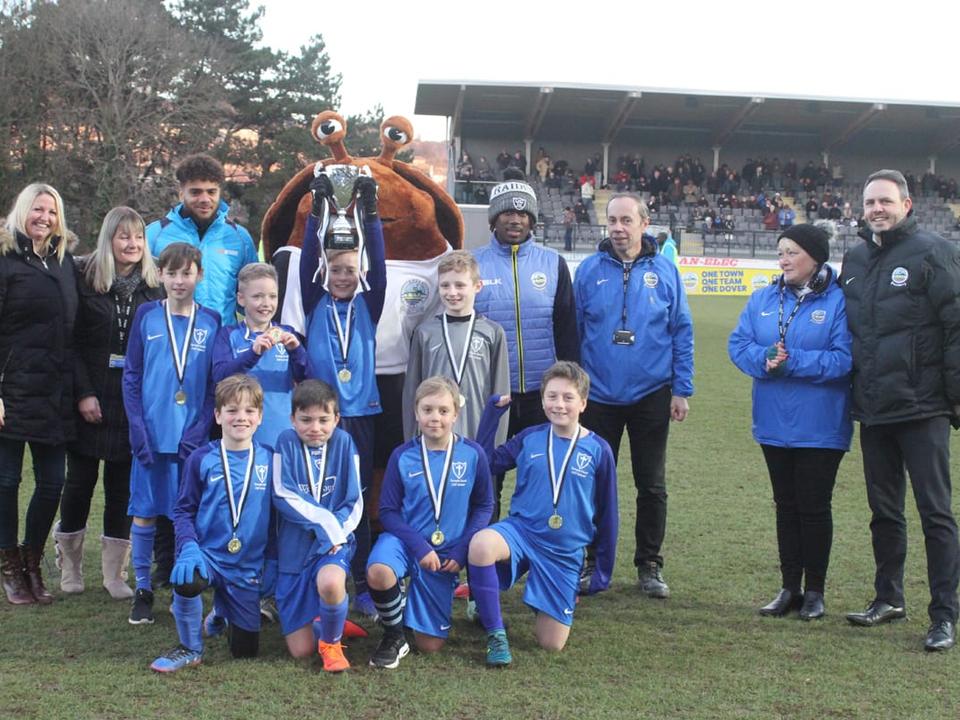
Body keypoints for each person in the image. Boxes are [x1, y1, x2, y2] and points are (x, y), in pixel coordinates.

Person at [840, 169, 960, 652]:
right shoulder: (856, 256)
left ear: (906, 205)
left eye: (885, 201)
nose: (877, 209)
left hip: (923, 406)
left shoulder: (933, 252)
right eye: (870, 203)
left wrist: (954, 398)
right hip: (875, 408)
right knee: (884, 512)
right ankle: (888, 597)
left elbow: (956, 326)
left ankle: (944, 615)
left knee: (935, 513)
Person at [728, 222, 852, 620]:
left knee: (814, 506)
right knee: (785, 506)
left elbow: (844, 360)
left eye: (792, 252)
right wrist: (763, 359)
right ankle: (788, 588)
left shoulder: (838, 302)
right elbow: (738, 345)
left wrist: (793, 361)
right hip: (773, 423)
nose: (783, 258)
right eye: (780, 251)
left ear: (815, 257)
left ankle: (815, 591)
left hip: (821, 425)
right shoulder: (763, 298)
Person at [573, 193, 693, 599]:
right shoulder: (589, 270)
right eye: (612, 221)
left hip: (651, 394)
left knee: (651, 484)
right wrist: (574, 389)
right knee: (591, 483)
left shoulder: (666, 271)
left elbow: (681, 330)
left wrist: (682, 389)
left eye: (627, 220)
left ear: (645, 222)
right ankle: (591, 561)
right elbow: (573, 331)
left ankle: (649, 565)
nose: (619, 228)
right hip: (599, 395)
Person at [468, 361, 618, 666]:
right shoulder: (529, 438)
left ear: (583, 403)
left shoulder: (599, 450)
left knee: (551, 645)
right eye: (552, 396)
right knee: (482, 544)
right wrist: (491, 418)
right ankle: (494, 631)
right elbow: (484, 464)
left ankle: (537, 594)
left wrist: (601, 569)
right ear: (542, 400)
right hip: (522, 533)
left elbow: (608, 513)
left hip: (563, 550)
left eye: (567, 397)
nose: (558, 404)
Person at [55, 207, 162, 600]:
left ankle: (115, 574)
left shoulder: (155, 288)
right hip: (90, 393)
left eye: (138, 237)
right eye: (123, 237)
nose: (132, 244)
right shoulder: (85, 280)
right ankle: (70, 564)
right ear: (109, 240)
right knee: (79, 483)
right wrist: (84, 393)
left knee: (122, 488)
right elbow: (73, 342)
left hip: (131, 400)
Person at [299, 170, 386, 620]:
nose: (343, 276)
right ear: (326, 271)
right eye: (336, 269)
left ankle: (364, 588)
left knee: (359, 500)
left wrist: (370, 213)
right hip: (322, 418)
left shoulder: (369, 306)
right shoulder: (315, 304)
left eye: (351, 270)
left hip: (362, 414)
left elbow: (381, 266)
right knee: (321, 499)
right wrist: (317, 211)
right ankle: (317, 580)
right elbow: (307, 262)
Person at [123, 242, 220, 625]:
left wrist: (199, 429)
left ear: (199, 275)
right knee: (145, 513)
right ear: (159, 275)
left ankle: (187, 583)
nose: (179, 280)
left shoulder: (211, 321)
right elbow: (132, 375)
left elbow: (214, 384)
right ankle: (144, 589)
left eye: (187, 272)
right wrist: (136, 427)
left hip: (191, 442)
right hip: (152, 435)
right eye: (172, 272)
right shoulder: (146, 315)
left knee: (190, 514)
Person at [366, 377, 493, 669]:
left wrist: (462, 550)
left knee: (430, 646)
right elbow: (387, 511)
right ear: (416, 412)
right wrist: (419, 546)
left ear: (455, 414)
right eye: (428, 410)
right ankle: (394, 635)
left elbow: (484, 505)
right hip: (407, 542)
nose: (435, 417)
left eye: (443, 410)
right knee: (379, 571)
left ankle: (404, 610)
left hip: (447, 553)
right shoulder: (402, 455)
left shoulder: (473, 454)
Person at [150, 375, 273, 672]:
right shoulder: (201, 459)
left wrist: (275, 561)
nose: (240, 417)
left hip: (248, 565)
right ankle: (190, 647)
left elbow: (281, 518)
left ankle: (221, 611)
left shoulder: (272, 460)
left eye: (248, 411)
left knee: (244, 653)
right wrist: (189, 547)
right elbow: (183, 511)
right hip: (209, 557)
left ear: (260, 417)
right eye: (231, 410)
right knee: (187, 579)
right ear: (218, 415)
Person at [473, 178, 579, 519]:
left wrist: (569, 388)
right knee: (487, 480)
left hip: (541, 394)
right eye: (506, 212)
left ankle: (537, 552)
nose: (514, 219)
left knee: (543, 477)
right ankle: (484, 560)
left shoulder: (553, 263)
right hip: (492, 395)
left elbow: (566, 327)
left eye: (522, 212)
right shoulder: (473, 264)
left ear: (532, 219)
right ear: (494, 219)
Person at [0, 183, 79, 606]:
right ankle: (10, 565)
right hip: (11, 391)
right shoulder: (5, 259)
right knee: (6, 482)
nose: (44, 217)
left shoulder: (64, 263)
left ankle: (33, 560)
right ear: (21, 211)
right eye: (37, 209)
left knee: (53, 482)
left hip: (54, 391)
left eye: (51, 211)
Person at [270, 380, 363, 672]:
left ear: (336, 419)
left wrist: (335, 536)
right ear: (292, 419)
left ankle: (331, 644)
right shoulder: (285, 441)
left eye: (324, 420)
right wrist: (325, 527)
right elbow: (282, 493)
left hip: (334, 542)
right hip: (295, 549)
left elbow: (355, 500)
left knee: (331, 582)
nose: (315, 427)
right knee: (300, 652)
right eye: (306, 420)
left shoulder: (345, 442)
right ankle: (331, 617)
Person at [402, 250, 510, 445]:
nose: (452, 292)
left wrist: (496, 445)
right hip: (432, 437)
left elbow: (501, 395)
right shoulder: (424, 333)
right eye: (445, 285)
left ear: (478, 286)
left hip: (477, 432)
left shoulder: (493, 332)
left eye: (460, 285)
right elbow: (412, 393)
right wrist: (412, 441)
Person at [147, 153, 257, 323]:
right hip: (171, 343)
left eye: (211, 192)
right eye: (196, 192)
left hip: (221, 342)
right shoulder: (153, 235)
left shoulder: (240, 238)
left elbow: (252, 297)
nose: (205, 199)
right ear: (181, 193)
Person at [212, 263, 308, 449]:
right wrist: (253, 353)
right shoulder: (228, 335)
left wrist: (297, 351)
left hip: (282, 435)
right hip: (241, 437)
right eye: (257, 296)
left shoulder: (288, 334)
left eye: (272, 296)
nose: (266, 303)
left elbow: (307, 377)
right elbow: (219, 376)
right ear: (241, 299)